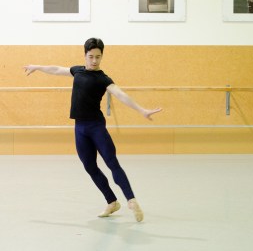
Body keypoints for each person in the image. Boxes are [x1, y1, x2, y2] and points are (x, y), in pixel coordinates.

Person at [23, 38, 162, 221]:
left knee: (112, 162)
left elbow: (121, 95)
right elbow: (57, 69)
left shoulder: (103, 79)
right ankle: (112, 202)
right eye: (91, 56)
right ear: (85, 56)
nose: (94, 60)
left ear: (102, 57)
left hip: (96, 127)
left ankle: (131, 199)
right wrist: (37, 66)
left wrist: (142, 110)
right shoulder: (77, 71)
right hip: (79, 128)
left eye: (98, 57)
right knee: (89, 166)